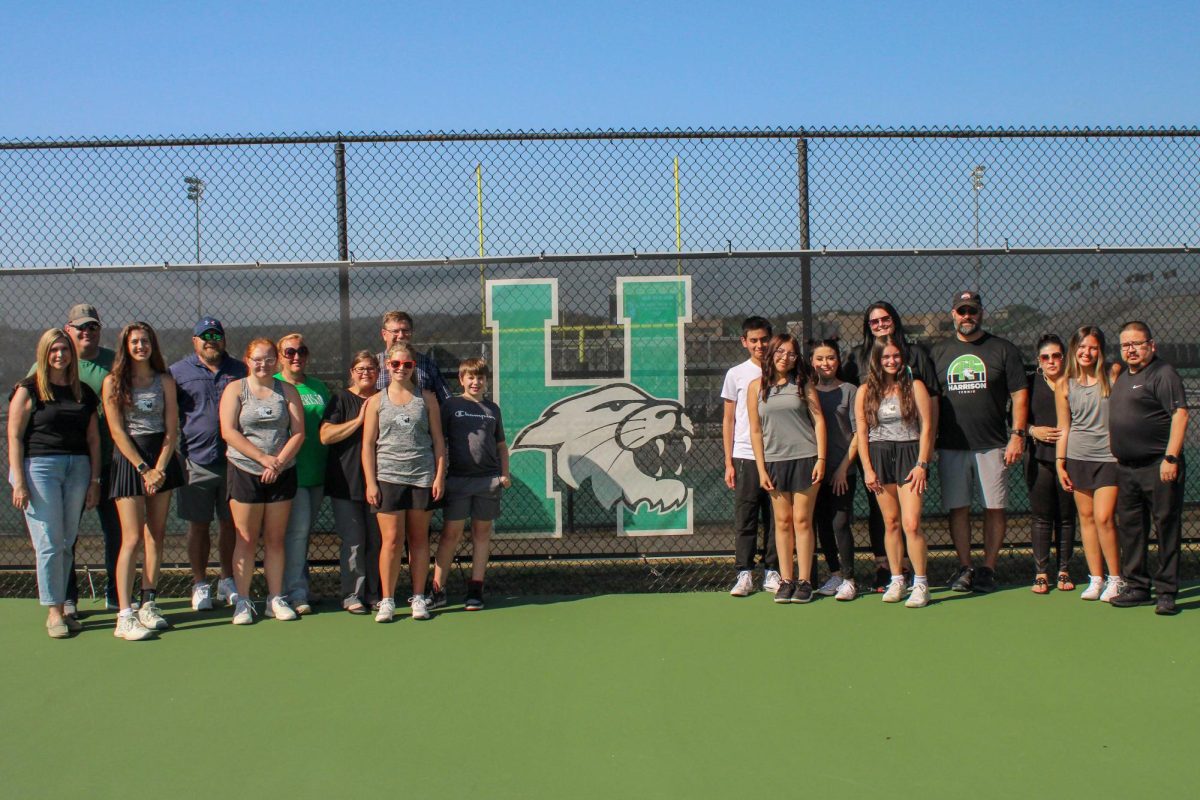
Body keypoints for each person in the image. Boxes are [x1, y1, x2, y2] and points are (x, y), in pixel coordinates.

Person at [930, 290, 1028, 593]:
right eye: (961, 311)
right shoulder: (939, 352)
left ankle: (988, 569)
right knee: (958, 508)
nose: (967, 316)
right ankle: (965, 567)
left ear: (981, 312)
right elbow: (930, 400)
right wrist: (930, 440)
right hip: (951, 445)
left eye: (972, 311)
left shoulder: (1003, 349)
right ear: (953, 314)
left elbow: (1019, 395)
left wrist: (1017, 436)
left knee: (994, 508)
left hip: (994, 443)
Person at [27, 304, 120, 615]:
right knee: (64, 535)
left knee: (117, 533)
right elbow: (27, 402)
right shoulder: (45, 367)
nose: (86, 332)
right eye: (80, 327)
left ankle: (117, 596)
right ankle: (66, 600)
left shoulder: (113, 362)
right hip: (67, 466)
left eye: (92, 327)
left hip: (111, 463)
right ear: (68, 329)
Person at [8, 329, 101, 638]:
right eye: (54, 350)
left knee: (65, 542)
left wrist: (94, 480)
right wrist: (18, 480)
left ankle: (63, 608)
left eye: (64, 349)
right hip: (40, 469)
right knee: (48, 543)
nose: (60, 355)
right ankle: (54, 611)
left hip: (78, 468)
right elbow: (14, 436)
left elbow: (93, 438)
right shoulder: (29, 389)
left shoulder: (83, 392)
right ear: (44, 354)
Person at [843, 301, 937, 592]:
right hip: (879, 456)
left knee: (911, 523)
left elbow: (928, 425)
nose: (892, 360)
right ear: (876, 359)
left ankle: (919, 582)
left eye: (896, 356)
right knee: (891, 522)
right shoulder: (865, 390)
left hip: (910, 454)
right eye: (886, 357)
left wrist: (923, 462)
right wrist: (867, 469)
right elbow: (862, 429)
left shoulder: (915, 384)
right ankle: (896, 578)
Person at [103, 322, 185, 640]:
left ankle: (148, 603)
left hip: (160, 462)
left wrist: (160, 467)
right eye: (135, 341)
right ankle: (124, 615)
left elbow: (171, 429)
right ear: (125, 345)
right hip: (130, 462)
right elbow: (117, 431)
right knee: (133, 538)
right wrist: (143, 469)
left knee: (157, 535)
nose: (141, 346)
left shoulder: (164, 380)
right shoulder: (113, 382)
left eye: (146, 341)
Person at [219, 338, 306, 625]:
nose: (264, 364)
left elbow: (298, 433)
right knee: (245, 540)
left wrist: (277, 462)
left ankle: (275, 598)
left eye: (269, 359)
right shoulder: (236, 390)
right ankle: (243, 602)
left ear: (277, 361)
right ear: (247, 359)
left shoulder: (287, 391)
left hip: (282, 473)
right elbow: (229, 432)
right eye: (258, 358)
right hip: (244, 472)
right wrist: (262, 459)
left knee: (275, 540)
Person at [1108, 322, 1189, 615]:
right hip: (1126, 469)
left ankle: (1166, 591)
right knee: (1131, 529)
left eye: (1136, 344)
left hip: (1158, 466)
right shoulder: (1122, 376)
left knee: (1166, 527)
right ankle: (1138, 586)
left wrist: (1171, 458)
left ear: (1151, 345)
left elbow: (1180, 415)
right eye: (1125, 345)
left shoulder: (1163, 374)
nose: (1130, 349)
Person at [363, 341, 447, 622]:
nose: (401, 368)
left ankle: (419, 597)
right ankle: (387, 600)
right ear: (388, 365)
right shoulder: (376, 401)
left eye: (407, 364)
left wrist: (438, 476)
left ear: (414, 367)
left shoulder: (428, 398)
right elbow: (367, 446)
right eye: (396, 364)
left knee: (419, 540)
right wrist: (371, 483)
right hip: (388, 478)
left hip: (422, 478)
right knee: (391, 541)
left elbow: (437, 440)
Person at [169, 316, 246, 611]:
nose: (210, 340)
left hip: (235, 463)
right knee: (198, 525)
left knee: (231, 525)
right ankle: (200, 583)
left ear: (224, 339)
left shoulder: (240, 370)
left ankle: (228, 580)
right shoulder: (177, 372)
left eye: (216, 335)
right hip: (195, 462)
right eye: (205, 336)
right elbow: (168, 416)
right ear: (195, 341)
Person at [748, 334, 827, 604]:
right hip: (774, 463)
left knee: (802, 521)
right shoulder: (755, 387)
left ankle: (804, 582)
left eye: (791, 354)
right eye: (780, 352)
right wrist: (761, 469)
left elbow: (818, 422)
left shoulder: (803, 384)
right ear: (770, 353)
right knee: (781, 523)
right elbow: (756, 431)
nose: (785, 357)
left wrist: (821, 459)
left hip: (806, 458)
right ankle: (786, 580)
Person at [430, 358, 512, 612]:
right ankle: (437, 589)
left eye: (480, 378)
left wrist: (504, 474)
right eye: (471, 378)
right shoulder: (451, 406)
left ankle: (476, 589)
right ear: (462, 379)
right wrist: (439, 475)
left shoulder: (492, 409)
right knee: (450, 535)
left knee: (481, 534)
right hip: (457, 481)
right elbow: (439, 441)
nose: (476, 382)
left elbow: (501, 445)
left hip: (488, 481)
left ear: (486, 381)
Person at [1055, 326, 1122, 602]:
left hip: (1109, 458)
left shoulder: (1113, 373)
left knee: (1105, 518)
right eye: (1082, 347)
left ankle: (1116, 580)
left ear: (1100, 350)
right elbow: (1064, 427)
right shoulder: (1064, 384)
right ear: (1074, 350)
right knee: (1087, 519)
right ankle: (1096, 579)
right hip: (1077, 457)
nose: (1087, 352)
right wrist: (1061, 462)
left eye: (1093, 347)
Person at [722, 316, 781, 597]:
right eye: (753, 340)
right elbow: (729, 419)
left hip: (778, 455)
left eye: (764, 339)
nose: (760, 345)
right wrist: (728, 461)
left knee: (776, 517)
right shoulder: (736, 374)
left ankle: (773, 571)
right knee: (746, 517)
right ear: (744, 342)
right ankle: (744, 574)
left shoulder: (785, 370)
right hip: (745, 455)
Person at [320, 350, 382, 614]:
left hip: (381, 482)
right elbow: (325, 435)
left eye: (370, 368)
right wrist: (359, 421)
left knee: (377, 542)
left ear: (378, 373)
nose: (365, 373)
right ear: (351, 372)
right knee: (354, 542)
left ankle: (375, 594)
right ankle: (352, 595)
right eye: (360, 369)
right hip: (346, 483)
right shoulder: (341, 399)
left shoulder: (385, 399)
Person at [274, 333, 330, 616]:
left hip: (317, 471)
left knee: (302, 532)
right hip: (289, 472)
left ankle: (297, 585)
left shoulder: (318, 387)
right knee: (295, 533)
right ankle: (293, 593)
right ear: (279, 356)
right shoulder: (273, 385)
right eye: (290, 352)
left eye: (302, 351)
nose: (297, 356)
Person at [1024, 334, 1076, 594]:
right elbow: (1016, 420)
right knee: (1042, 517)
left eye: (1056, 356)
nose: (1051, 361)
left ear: (1064, 358)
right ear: (1039, 361)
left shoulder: (1075, 383)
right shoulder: (1030, 384)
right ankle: (1041, 573)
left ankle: (1064, 569)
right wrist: (1034, 431)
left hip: (1071, 461)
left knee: (1066, 517)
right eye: (1046, 357)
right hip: (1039, 459)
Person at [810, 340, 859, 601]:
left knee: (840, 523)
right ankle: (836, 574)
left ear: (838, 360)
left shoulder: (851, 390)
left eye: (830, 358)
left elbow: (859, 434)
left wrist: (843, 469)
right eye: (820, 358)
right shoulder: (806, 391)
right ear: (812, 362)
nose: (825, 363)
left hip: (843, 472)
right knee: (822, 525)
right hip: (814, 473)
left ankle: (850, 579)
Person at [374, 311, 452, 401]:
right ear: (384, 334)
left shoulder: (427, 364)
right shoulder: (373, 364)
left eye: (405, 330)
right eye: (395, 331)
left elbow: (446, 399)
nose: (401, 335)